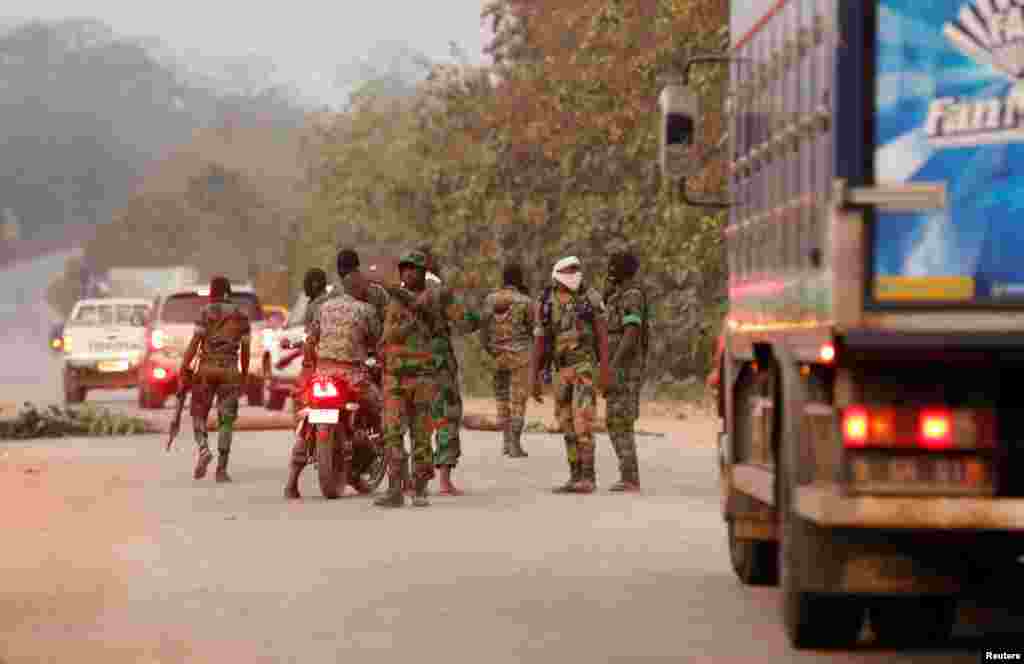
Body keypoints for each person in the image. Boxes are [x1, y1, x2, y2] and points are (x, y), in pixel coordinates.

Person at [284, 251, 383, 499]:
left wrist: (312, 366)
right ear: (358, 288)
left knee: (307, 420)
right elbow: (378, 342)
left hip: (322, 373)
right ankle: (383, 461)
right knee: (382, 409)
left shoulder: (323, 307)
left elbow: (312, 339)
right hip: (352, 375)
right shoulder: (367, 309)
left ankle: (291, 483)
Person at [531, 256, 610, 494]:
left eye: (576, 269)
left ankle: (588, 477)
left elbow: (602, 336)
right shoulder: (546, 301)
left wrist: (605, 370)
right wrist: (534, 376)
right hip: (560, 370)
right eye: (569, 270)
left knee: (583, 420)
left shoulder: (591, 298)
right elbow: (541, 341)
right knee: (566, 423)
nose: (574, 273)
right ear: (557, 275)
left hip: (584, 367)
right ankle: (575, 475)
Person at [412, 244, 479, 496]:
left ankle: (414, 480)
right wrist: (479, 317)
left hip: (408, 363)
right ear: (430, 264)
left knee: (417, 418)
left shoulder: (401, 292)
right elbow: (463, 322)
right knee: (446, 416)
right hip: (438, 363)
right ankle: (444, 481)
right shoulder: (440, 292)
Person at [375, 250, 439, 508]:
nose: (409, 273)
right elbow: (387, 333)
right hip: (394, 378)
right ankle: (395, 488)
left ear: (423, 273)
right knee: (391, 433)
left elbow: (426, 311)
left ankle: (419, 488)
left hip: (421, 377)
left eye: (414, 269)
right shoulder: (394, 301)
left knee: (421, 435)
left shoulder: (430, 296)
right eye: (405, 268)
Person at [180, 275, 251, 483]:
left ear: (212, 292)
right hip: (230, 370)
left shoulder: (205, 312)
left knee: (198, 414)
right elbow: (246, 349)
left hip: (206, 369)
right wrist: (244, 374)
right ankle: (221, 469)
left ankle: (203, 449)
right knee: (226, 420)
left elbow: (195, 342)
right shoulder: (241, 315)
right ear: (229, 292)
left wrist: (184, 366)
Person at [478, 262, 536, 458]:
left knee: (502, 398)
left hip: (497, 356)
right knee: (518, 400)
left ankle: (505, 441)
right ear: (520, 279)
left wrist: (489, 349)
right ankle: (515, 445)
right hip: (519, 356)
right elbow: (533, 329)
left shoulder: (490, 299)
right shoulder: (526, 301)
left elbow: (483, 328)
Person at [603, 250, 649, 492]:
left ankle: (630, 476)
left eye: (614, 267)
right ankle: (627, 474)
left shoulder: (632, 296)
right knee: (613, 420)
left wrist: (614, 365)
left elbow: (631, 333)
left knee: (621, 420)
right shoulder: (616, 297)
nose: (610, 271)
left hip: (626, 368)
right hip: (617, 367)